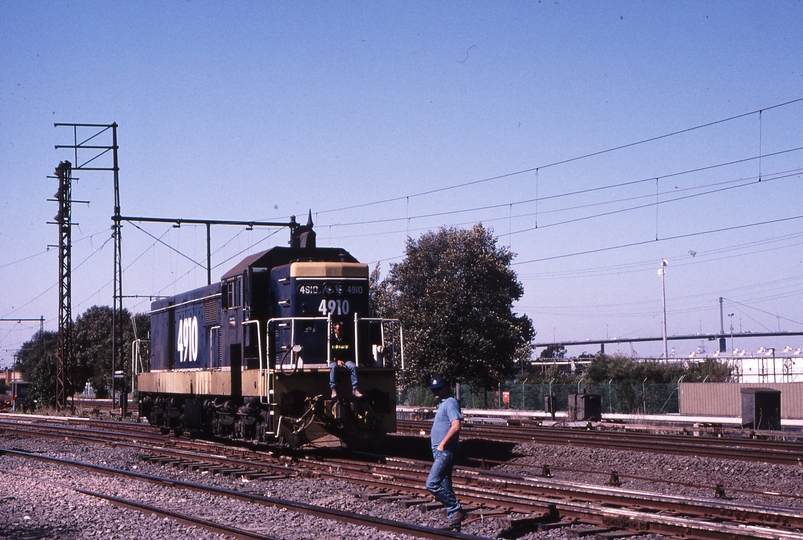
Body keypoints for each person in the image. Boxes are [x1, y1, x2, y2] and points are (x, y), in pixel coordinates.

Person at [426, 376, 467, 529]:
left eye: (439, 389)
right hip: (440, 453)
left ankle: (456, 510)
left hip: (445, 452)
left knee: (432, 483)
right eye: (433, 390)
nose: (436, 392)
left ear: (446, 387)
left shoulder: (450, 402)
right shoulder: (443, 404)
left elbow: (456, 426)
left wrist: (442, 444)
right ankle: (454, 524)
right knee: (445, 486)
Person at [329, 321, 362, 398]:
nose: (341, 331)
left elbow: (349, 352)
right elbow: (328, 353)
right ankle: (333, 389)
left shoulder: (347, 339)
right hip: (334, 360)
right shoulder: (330, 339)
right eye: (339, 329)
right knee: (333, 367)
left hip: (345, 360)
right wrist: (337, 360)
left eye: (342, 329)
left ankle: (355, 389)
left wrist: (343, 360)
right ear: (334, 330)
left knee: (353, 366)